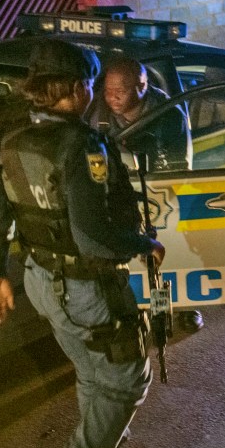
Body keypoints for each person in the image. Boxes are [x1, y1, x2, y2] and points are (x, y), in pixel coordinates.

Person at [0, 39, 162, 448]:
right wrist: (146, 244)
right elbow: (92, 237)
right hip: (87, 288)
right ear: (79, 87)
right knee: (128, 380)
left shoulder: (11, 137)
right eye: (91, 83)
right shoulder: (83, 145)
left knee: (91, 376)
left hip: (40, 281)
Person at [90, 55, 203, 332]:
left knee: (164, 257)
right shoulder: (99, 112)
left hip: (158, 195)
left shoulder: (168, 114)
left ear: (142, 86)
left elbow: (178, 167)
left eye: (121, 90)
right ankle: (135, 309)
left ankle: (174, 309)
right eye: (108, 91)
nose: (112, 97)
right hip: (119, 194)